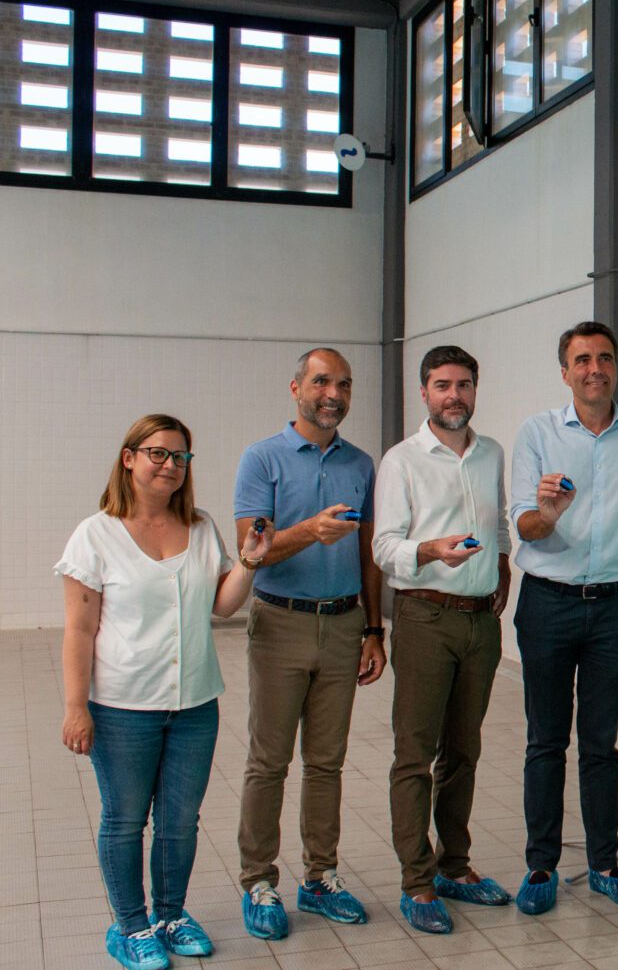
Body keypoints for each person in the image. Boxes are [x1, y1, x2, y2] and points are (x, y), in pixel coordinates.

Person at [57, 414, 270, 970]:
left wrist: (249, 561)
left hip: (195, 704)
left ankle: (171, 915)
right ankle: (131, 926)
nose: (170, 465)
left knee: (179, 822)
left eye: (180, 457)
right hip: (122, 707)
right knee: (126, 820)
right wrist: (76, 707)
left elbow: (222, 606)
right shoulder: (95, 535)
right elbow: (79, 630)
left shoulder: (199, 527)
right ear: (128, 458)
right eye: (158, 453)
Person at [508, 320, 618, 915]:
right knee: (546, 741)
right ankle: (541, 867)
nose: (595, 369)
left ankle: (605, 864)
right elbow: (524, 524)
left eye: (605, 358)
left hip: (616, 608)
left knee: (601, 743)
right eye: (582, 360)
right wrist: (550, 514)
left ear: (616, 367)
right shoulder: (537, 433)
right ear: (565, 372)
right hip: (547, 604)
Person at [232, 348, 385, 939]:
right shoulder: (262, 458)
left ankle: (320, 877)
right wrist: (309, 531)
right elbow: (251, 550)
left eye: (343, 384)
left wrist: (374, 629)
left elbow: (368, 554)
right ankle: (258, 880)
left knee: (326, 763)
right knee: (268, 762)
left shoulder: (361, 464)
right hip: (280, 623)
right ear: (296, 388)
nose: (334, 394)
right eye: (322, 382)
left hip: (344, 624)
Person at [372, 345, 512, 935]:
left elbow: (497, 521)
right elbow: (384, 548)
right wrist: (430, 550)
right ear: (424, 392)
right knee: (416, 753)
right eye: (442, 385)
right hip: (425, 617)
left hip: (481, 623)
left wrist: (502, 564)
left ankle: (455, 865)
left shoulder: (491, 453)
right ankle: (418, 880)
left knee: (464, 751)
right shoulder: (402, 461)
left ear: (475, 389)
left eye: (464, 384)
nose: (454, 395)